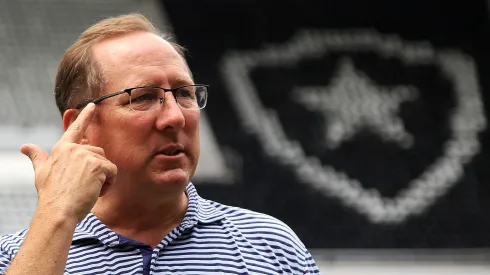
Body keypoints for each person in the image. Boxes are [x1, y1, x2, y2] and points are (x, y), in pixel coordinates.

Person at [0, 13, 320, 274]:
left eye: (184, 93)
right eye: (143, 97)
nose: (175, 117)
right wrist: (57, 216)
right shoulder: (14, 257)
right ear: (81, 128)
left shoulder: (273, 248)